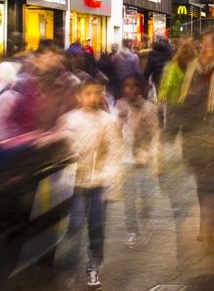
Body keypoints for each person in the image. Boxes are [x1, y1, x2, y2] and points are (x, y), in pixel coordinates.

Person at [171, 27, 214, 251]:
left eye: (209, 45)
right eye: (203, 44)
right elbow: (181, 101)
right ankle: (206, 224)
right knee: (202, 185)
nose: (204, 49)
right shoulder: (192, 69)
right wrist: (175, 129)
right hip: (195, 135)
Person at [57, 80, 123, 289]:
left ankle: (94, 266)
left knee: (96, 226)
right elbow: (62, 150)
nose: (93, 98)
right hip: (74, 183)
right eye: (88, 94)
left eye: (97, 93)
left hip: (98, 183)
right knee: (74, 225)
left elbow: (114, 153)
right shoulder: (69, 120)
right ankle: (69, 268)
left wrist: (112, 182)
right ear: (79, 96)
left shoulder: (108, 121)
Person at [114, 74, 159, 248]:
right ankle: (132, 231)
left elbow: (154, 132)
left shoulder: (149, 108)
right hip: (125, 159)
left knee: (146, 194)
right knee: (129, 198)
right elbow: (115, 131)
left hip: (144, 158)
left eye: (134, 85)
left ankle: (146, 221)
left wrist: (148, 152)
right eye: (127, 85)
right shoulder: (119, 106)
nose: (130, 88)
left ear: (141, 88)